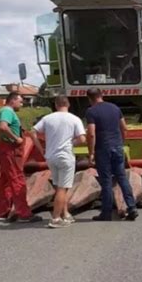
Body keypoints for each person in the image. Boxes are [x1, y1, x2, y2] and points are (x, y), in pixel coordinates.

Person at [31, 95, 86, 228]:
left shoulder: (48, 118)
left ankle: (65, 213)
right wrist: (71, 142)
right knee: (63, 187)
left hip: (50, 157)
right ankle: (55, 218)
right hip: (65, 156)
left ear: (56, 105)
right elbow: (82, 139)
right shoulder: (74, 119)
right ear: (68, 105)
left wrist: (41, 149)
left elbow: (32, 132)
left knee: (59, 186)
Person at [85, 88, 138, 221]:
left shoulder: (91, 111)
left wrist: (91, 153)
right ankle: (132, 207)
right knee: (122, 177)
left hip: (103, 150)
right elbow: (124, 128)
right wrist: (121, 143)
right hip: (117, 147)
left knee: (106, 181)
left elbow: (91, 133)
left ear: (89, 98)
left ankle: (106, 213)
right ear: (102, 95)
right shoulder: (115, 108)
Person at [0, 92, 42, 222]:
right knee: (17, 180)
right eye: (20, 102)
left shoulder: (3, 111)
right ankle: (24, 213)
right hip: (11, 151)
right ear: (12, 101)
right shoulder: (7, 112)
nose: (21, 104)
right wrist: (17, 139)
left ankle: (3, 211)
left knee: (6, 181)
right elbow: (3, 126)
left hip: (4, 150)